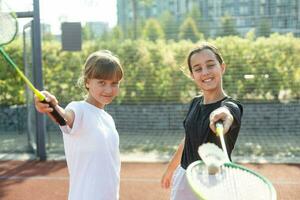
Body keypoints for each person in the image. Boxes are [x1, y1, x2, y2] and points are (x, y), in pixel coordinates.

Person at [34, 50, 123, 200]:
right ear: (87, 81)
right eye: (102, 82)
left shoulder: (108, 119)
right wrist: (51, 106)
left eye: (114, 83)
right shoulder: (78, 109)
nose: (109, 89)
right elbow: (65, 118)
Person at [161, 42, 243, 200]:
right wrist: (171, 169)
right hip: (185, 177)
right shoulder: (194, 103)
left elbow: (229, 112)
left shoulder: (231, 106)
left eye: (210, 65)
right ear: (192, 75)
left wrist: (224, 113)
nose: (205, 72)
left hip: (213, 183)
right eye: (198, 69)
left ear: (222, 67)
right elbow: (188, 140)